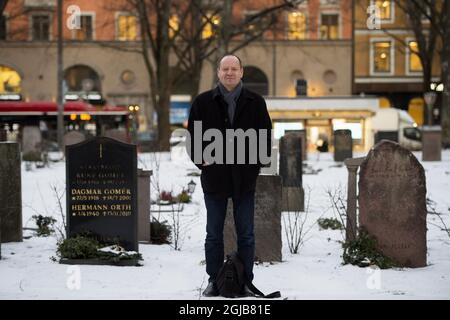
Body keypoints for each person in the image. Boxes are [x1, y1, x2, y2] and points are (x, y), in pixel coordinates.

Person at [187, 55, 272, 297]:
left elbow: (265, 135)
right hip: (215, 179)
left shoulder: (256, 102)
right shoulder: (203, 102)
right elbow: (193, 137)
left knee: (246, 233)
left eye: (234, 68)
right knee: (213, 233)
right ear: (218, 72)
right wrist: (200, 159)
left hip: (245, 180)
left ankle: (244, 282)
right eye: (225, 69)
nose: (230, 73)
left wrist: (255, 164)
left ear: (242, 72)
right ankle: (214, 280)